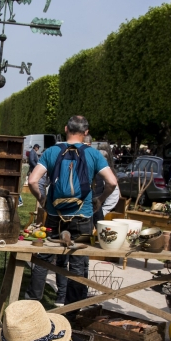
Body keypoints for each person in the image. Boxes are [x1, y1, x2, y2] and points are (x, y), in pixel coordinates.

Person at [26, 115, 117, 308]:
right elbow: (112, 182)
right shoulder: (93, 154)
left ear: (66, 128)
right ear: (86, 133)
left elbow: (33, 181)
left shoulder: (51, 151)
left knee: (44, 257)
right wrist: (99, 200)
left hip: (54, 215)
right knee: (78, 260)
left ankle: (33, 302)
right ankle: (73, 308)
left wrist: (42, 199)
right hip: (83, 216)